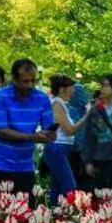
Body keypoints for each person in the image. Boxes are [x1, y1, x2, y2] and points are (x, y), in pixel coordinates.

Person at [0, 58, 54, 196]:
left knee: (27, 212)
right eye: (25, 81)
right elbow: (1, 131)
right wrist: (32, 137)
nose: (30, 85)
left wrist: (49, 135)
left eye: (33, 80)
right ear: (14, 79)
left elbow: (48, 129)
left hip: (25, 165)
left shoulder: (42, 98)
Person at [42, 74, 83, 203]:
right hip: (57, 149)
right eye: (71, 88)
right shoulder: (57, 104)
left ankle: (54, 216)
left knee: (57, 188)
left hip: (60, 150)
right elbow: (70, 130)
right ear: (61, 89)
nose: (73, 91)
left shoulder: (61, 104)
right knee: (69, 187)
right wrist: (86, 117)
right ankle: (71, 215)